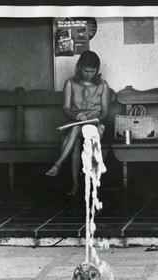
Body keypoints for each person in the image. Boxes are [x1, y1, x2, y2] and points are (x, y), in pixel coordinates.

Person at [46, 50, 110, 195]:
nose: (89, 74)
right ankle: (75, 185)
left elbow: (105, 111)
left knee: (75, 133)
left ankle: (58, 164)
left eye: (92, 71)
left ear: (97, 70)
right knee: (75, 139)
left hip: (95, 124)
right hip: (75, 122)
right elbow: (66, 108)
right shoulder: (70, 83)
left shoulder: (103, 85)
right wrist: (76, 116)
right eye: (86, 71)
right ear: (79, 67)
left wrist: (95, 119)